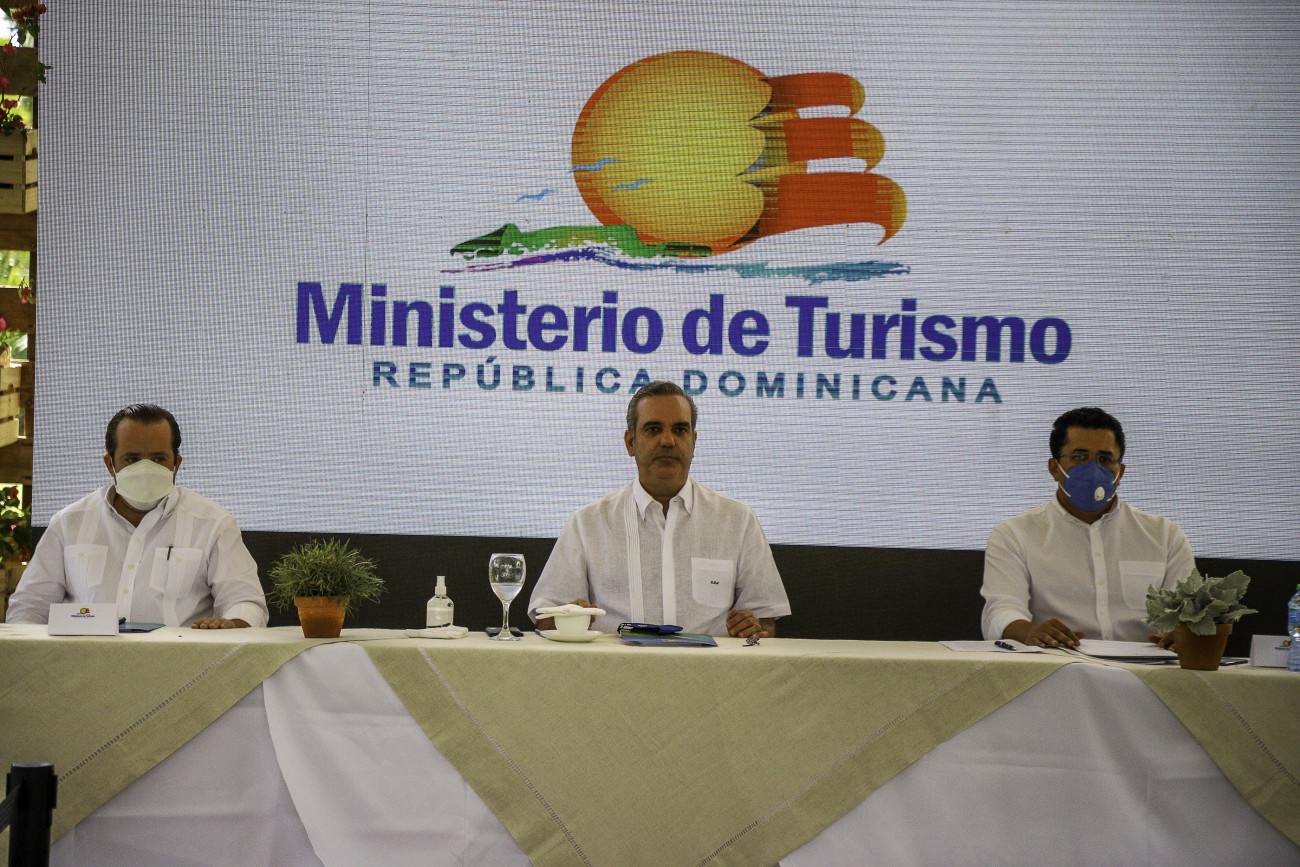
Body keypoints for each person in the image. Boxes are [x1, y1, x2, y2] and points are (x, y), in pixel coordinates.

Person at [529, 381, 790, 638]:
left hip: (711, 666)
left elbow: (764, 622)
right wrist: (566, 617)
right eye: (653, 429)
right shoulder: (587, 524)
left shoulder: (738, 521)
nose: (668, 441)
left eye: (680, 430)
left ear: (693, 441)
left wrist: (754, 628)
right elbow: (546, 617)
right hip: (615, 666)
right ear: (630, 443)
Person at [6, 404, 268, 628]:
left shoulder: (213, 524)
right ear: (110, 465)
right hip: (83, 665)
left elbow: (246, 602)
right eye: (132, 459)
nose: (145, 470)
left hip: (183, 666)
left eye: (158, 459)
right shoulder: (68, 523)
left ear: (176, 464)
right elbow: (29, 607)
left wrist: (231, 624)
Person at [980, 407, 1194, 648]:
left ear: (1120, 472)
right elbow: (1000, 611)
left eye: (1105, 459)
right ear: (1054, 468)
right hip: (1058, 664)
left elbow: (1189, 615)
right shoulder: (1014, 534)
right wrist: (1030, 631)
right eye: (1079, 457)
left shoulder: (1165, 536)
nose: (1093, 470)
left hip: (1147, 668)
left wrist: (1183, 632)